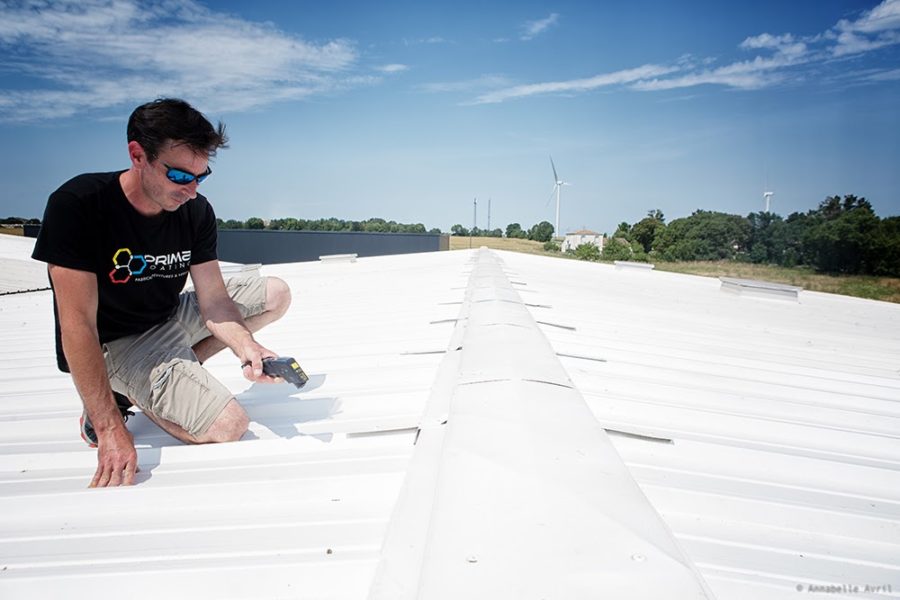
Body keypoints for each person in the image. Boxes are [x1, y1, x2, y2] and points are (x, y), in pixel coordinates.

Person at [32, 98, 292, 488]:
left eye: (201, 177)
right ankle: (120, 395)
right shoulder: (79, 205)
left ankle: (158, 381)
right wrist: (109, 429)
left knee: (276, 293)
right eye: (180, 176)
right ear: (138, 155)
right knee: (229, 425)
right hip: (117, 343)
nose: (192, 190)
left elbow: (215, 300)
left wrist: (246, 347)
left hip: (167, 316)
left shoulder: (195, 211)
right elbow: (77, 326)